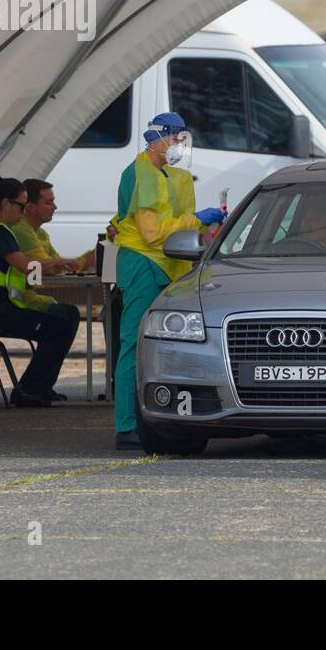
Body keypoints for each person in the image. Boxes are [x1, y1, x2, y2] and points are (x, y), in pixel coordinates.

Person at [112, 113, 225, 450]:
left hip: (168, 266)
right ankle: (127, 426)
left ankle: (163, 417)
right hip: (144, 263)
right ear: (157, 137)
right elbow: (150, 233)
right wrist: (196, 219)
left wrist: (206, 224)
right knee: (133, 344)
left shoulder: (164, 174)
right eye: (175, 139)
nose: (179, 146)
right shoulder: (142, 172)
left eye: (182, 139)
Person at [0, 175, 77, 407]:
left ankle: (38, 387)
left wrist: (50, 266)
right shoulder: (0, 232)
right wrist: (55, 263)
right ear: (6, 204)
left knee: (61, 320)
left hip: (0, 308)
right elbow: (26, 267)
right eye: (21, 206)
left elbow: (28, 273)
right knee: (59, 326)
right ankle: (30, 389)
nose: (24, 212)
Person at [10, 178, 90, 401]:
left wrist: (87, 258)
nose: (55, 207)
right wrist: (78, 262)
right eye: (49, 202)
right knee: (65, 316)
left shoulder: (41, 234)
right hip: (14, 303)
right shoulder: (20, 230)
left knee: (65, 314)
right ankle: (32, 387)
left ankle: (39, 385)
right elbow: (47, 270)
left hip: (27, 299)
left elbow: (59, 266)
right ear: (30, 206)